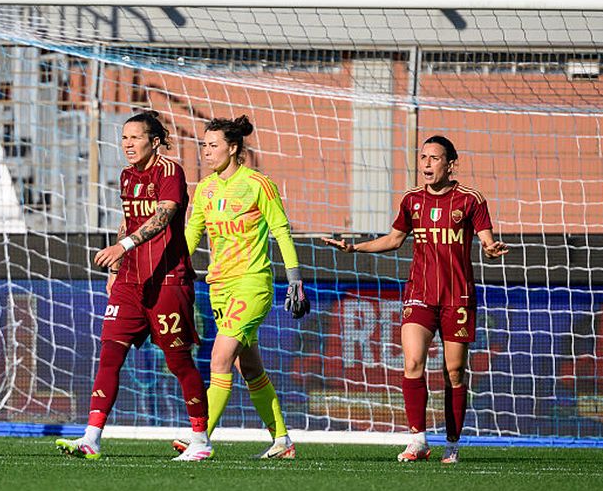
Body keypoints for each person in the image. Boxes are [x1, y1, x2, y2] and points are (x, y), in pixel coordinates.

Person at [322, 135, 508, 464]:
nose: (426, 163)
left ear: (451, 164)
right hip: (419, 294)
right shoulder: (411, 200)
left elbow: (486, 241)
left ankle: (452, 443)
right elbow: (394, 239)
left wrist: (491, 251)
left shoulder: (470, 200)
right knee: (412, 363)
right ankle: (417, 440)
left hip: (458, 297)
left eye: (434, 158)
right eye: (423, 157)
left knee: (454, 372)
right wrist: (354, 247)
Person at [56, 111, 213, 461]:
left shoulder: (170, 171)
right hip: (129, 280)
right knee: (110, 356)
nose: (127, 144)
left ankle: (201, 439)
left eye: (135, 137)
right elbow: (128, 221)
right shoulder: (127, 176)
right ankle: (91, 438)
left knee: (178, 362)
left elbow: (164, 216)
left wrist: (122, 248)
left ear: (154, 141)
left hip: (167, 279)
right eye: (124, 137)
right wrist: (116, 266)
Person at [180, 115, 310, 459]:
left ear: (233, 148)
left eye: (213, 146)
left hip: (252, 284)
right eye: (204, 146)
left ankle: (200, 438)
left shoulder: (257, 184)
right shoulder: (205, 189)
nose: (206, 152)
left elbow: (281, 230)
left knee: (220, 357)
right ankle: (282, 441)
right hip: (220, 287)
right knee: (247, 367)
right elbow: (192, 233)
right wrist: (171, 267)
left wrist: (295, 279)